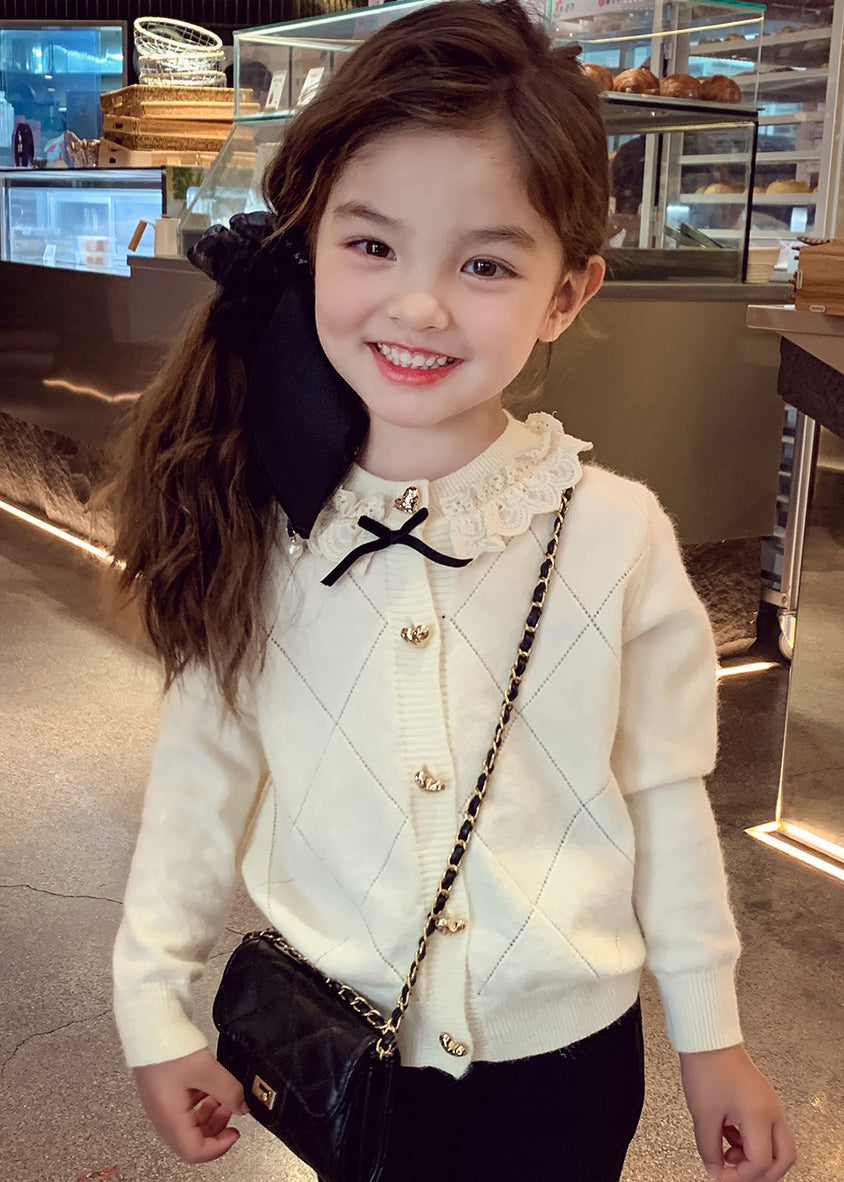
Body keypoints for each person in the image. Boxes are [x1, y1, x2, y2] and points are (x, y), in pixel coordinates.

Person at [110, 2, 797, 1180]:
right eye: (372, 246)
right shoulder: (258, 518)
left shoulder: (615, 534)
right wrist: (150, 1003)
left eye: (485, 264)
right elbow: (198, 778)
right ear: (310, 246)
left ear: (567, 294)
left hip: (568, 1068)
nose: (419, 305)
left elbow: (664, 795)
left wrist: (711, 1036)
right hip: (341, 1049)